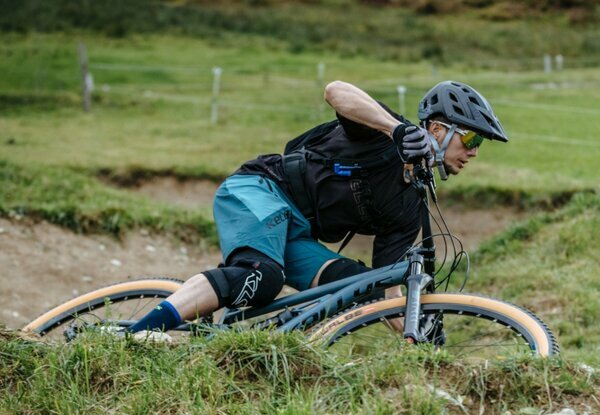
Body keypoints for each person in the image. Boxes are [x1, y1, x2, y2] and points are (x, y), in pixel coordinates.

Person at [125, 80, 508, 338]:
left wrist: (420, 339)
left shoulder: (409, 205)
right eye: (472, 139)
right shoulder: (385, 134)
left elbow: (388, 293)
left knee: (359, 287)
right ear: (437, 130)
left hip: (296, 233)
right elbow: (336, 91)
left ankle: (242, 331)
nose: (474, 152)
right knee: (261, 278)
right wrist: (395, 130)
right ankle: (134, 335)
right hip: (261, 189)